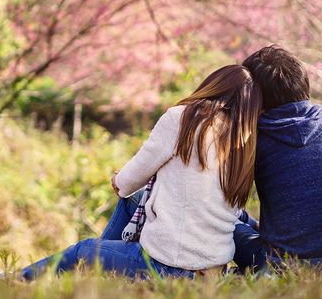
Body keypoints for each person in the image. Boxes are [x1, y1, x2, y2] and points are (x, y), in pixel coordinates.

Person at [21, 65, 261, 280]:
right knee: (132, 202)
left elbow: (128, 180)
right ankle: (100, 275)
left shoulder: (184, 120)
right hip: (212, 268)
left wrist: (119, 179)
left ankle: (15, 280)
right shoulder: (244, 143)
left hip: (170, 265)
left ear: (212, 86)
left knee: (82, 250)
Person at [234, 45, 322, 273]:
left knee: (219, 221)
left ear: (253, 96)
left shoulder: (254, 138)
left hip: (283, 265)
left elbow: (225, 203)